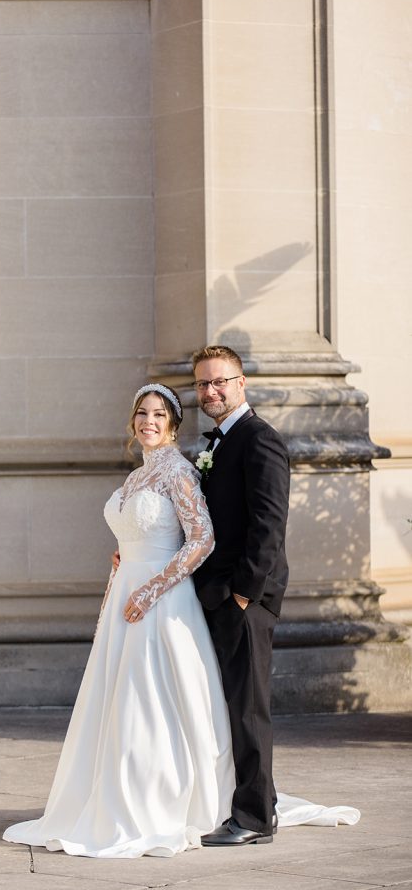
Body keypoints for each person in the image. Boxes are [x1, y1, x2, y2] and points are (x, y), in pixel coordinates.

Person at [2, 378, 358, 858]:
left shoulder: (179, 471)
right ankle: (108, 801)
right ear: (133, 422)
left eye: (158, 416)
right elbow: (135, 536)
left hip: (162, 602)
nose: (149, 422)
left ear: (172, 426)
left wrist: (149, 589)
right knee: (118, 702)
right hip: (127, 596)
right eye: (142, 414)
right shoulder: (135, 477)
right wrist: (121, 570)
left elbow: (201, 540)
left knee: (150, 703)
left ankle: (160, 804)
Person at [190, 345, 289, 845]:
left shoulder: (259, 440)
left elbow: (268, 528)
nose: (211, 391)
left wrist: (244, 597)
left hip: (245, 601)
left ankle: (252, 820)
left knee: (249, 710)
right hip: (217, 597)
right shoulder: (220, 443)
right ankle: (257, 802)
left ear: (241, 381)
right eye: (204, 384)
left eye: (220, 381)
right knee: (232, 706)